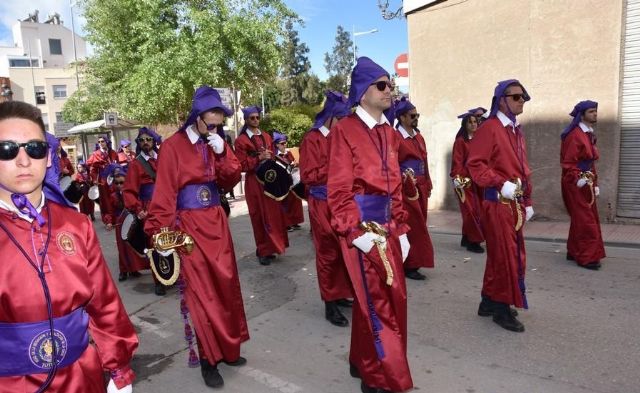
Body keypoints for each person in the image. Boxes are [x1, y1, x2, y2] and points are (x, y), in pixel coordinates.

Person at [0, 100, 137, 392]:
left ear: (48, 157)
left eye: (34, 149)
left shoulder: (76, 225)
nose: (24, 161)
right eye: (7, 150)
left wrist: (119, 369)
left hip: (82, 378)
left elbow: (105, 304)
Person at [145, 86, 249, 389]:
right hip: (188, 228)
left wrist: (223, 153)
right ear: (198, 116)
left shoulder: (216, 143)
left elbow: (230, 179)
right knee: (201, 295)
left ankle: (229, 349)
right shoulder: (173, 147)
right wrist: (161, 237)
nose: (216, 125)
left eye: (220, 120)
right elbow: (163, 194)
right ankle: (208, 359)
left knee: (226, 286)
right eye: (212, 120)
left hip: (217, 221)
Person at [327, 57, 413, 393]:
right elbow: (338, 191)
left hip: (389, 227)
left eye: (390, 84)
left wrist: (402, 228)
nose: (390, 89)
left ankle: (361, 359)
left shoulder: (389, 134)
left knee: (392, 299)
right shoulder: (344, 131)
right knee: (379, 304)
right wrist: (355, 232)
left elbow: (395, 190)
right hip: (362, 231)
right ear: (363, 92)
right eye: (382, 85)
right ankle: (379, 378)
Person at [467, 79, 534, 333]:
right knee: (507, 257)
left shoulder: (515, 130)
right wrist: (499, 183)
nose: (521, 101)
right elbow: (475, 164)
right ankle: (501, 308)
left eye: (523, 97)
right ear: (502, 100)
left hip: (513, 203)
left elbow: (523, 169)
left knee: (502, 255)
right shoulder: (490, 128)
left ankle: (488, 301)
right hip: (497, 203)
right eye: (516, 97)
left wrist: (527, 200)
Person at [299, 90, 354, 328]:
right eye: (341, 119)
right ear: (331, 116)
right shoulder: (312, 140)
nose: (344, 124)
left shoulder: (342, 137)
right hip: (321, 203)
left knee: (344, 251)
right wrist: (336, 168)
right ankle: (330, 303)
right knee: (328, 254)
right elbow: (309, 177)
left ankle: (341, 293)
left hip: (341, 202)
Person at [234, 106, 289, 265]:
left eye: (257, 117)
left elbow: (273, 157)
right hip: (254, 183)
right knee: (259, 216)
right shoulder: (241, 141)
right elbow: (241, 165)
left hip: (270, 180)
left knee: (273, 215)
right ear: (246, 120)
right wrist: (259, 158)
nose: (256, 120)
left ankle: (271, 248)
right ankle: (262, 250)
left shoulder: (266, 136)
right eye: (252, 118)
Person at [560, 100, 605, 270]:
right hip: (575, 183)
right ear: (582, 114)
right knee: (586, 220)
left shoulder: (588, 134)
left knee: (583, 218)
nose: (595, 114)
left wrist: (595, 183)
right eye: (591, 111)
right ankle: (586, 257)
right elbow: (568, 162)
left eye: (595, 111)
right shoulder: (575, 135)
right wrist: (577, 179)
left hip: (587, 181)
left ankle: (573, 251)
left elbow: (590, 162)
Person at [122, 127, 167, 294]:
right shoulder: (136, 164)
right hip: (149, 207)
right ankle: (159, 280)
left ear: (154, 141)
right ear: (139, 144)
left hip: (167, 204)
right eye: (142, 140)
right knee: (153, 244)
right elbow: (128, 191)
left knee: (171, 240)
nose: (146, 142)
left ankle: (173, 274)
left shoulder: (163, 159)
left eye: (148, 139)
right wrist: (138, 209)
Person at [394, 97, 435, 280]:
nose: (415, 118)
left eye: (417, 115)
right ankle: (409, 264)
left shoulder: (418, 137)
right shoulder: (395, 138)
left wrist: (428, 182)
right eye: (412, 115)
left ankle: (415, 261)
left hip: (420, 185)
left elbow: (424, 161)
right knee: (412, 225)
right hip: (406, 187)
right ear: (402, 117)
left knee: (421, 223)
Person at [102, 164, 148, 284]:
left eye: (122, 183)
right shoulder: (113, 196)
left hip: (132, 222)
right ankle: (123, 270)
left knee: (132, 246)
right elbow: (110, 211)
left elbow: (138, 206)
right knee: (122, 248)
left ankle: (133, 269)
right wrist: (109, 222)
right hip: (120, 223)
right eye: (116, 183)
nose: (119, 185)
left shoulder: (133, 195)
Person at [450, 110, 485, 253]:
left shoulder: (479, 140)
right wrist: (458, 178)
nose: (473, 124)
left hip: (479, 181)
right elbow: (457, 162)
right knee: (471, 211)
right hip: (465, 182)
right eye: (470, 122)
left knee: (479, 210)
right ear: (465, 124)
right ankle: (473, 241)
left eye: (475, 122)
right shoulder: (460, 142)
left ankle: (466, 237)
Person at [273, 130, 304, 231]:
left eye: (285, 143)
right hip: (282, 182)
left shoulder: (288, 153)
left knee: (295, 201)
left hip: (292, 179)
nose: (284, 145)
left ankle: (294, 221)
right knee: (285, 203)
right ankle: (286, 223)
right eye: (282, 143)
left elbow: (293, 162)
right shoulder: (275, 157)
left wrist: (295, 164)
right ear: (277, 145)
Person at [86, 135, 118, 217]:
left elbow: (117, 164)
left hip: (114, 178)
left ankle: (116, 217)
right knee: (105, 200)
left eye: (102, 141)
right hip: (103, 180)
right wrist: (94, 179)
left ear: (107, 142)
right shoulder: (96, 154)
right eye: (99, 142)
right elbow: (92, 168)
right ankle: (108, 219)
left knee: (115, 197)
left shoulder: (113, 152)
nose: (100, 143)